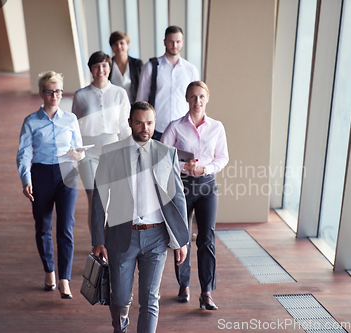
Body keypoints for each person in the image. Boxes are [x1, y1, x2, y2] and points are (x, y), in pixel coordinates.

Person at [91, 101, 189, 333]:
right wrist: (98, 239)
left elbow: (178, 199)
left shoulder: (167, 153)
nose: (145, 128)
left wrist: (181, 240)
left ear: (155, 123)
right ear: (130, 123)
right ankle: (120, 327)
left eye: (149, 123)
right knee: (120, 300)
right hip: (121, 236)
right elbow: (99, 199)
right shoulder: (111, 153)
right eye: (139, 122)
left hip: (156, 236)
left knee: (150, 300)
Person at [17, 71, 86, 299]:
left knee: (66, 228)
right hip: (41, 174)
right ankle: (50, 270)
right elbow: (24, 154)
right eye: (50, 91)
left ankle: (65, 279)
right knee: (43, 226)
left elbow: (79, 149)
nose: (54, 95)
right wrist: (26, 179)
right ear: (42, 93)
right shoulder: (31, 121)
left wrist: (77, 155)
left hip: (66, 174)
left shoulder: (70, 119)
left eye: (58, 91)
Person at [161, 81, 229, 310]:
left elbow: (222, 158)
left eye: (201, 97)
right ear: (186, 99)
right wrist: (184, 167)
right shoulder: (175, 127)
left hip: (207, 187)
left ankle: (207, 292)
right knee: (182, 237)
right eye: (193, 97)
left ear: (207, 98)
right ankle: (184, 285)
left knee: (206, 238)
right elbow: (163, 157)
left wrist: (205, 169)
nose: (197, 101)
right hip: (181, 187)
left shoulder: (217, 127)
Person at [72, 51, 131, 234]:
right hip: (88, 153)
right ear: (90, 69)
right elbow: (74, 127)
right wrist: (76, 151)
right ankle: (98, 244)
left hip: (113, 151)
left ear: (109, 67)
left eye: (104, 65)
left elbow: (124, 125)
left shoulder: (119, 93)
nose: (100, 70)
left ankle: (110, 241)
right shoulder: (80, 95)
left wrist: (132, 147)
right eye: (96, 66)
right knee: (95, 198)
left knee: (112, 197)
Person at [136, 26, 199, 141]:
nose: (174, 45)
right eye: (171, 41)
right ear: (165, 42)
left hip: (183, 130)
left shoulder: (191, 70)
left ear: (182, 43)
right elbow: (141, 100)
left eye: (178, 42)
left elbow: (197, 100)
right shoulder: (150, 67)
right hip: (156, 130)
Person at [108, 31, 143, 104]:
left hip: (134, 106)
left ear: (128, 45)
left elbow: (143, 87)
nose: (119, 47)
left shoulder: (137, 64)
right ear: (111, 47)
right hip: (113, 106)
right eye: (115, 44)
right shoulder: (108, 65)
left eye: (121, 43)